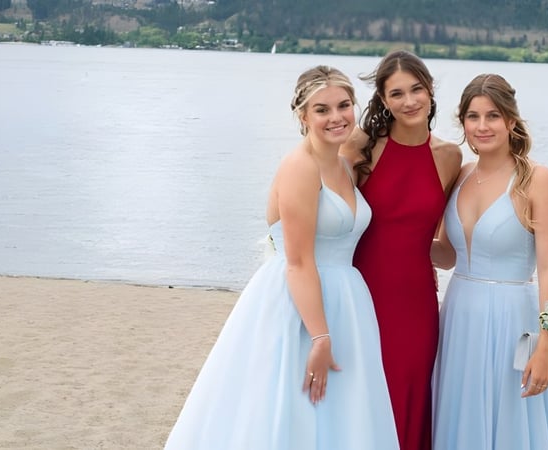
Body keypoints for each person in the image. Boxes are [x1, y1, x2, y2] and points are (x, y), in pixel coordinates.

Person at [164, 66, 399, 450]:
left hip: (348, 304)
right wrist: (321, 338)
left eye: (344, 105)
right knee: (291, 410)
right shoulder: (299, 167)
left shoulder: (343, 164)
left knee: (342, 414)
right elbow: (299, 261)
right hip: (300, 306)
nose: (336, 116)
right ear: (303, 116)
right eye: (322, 109)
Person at [431, 74, 548, 449]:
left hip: (511, 320)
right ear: (463, 123)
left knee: (506, 419)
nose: (482, 126)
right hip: (458, 315)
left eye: (493, 116)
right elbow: (447, 255)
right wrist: (397, 241)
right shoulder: (460, 176)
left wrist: (546, 345)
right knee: (458, 414)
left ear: (510, 120)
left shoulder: (537, 180)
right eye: (473, 117)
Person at [340, 50, 462, 450]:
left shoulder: (449, 157)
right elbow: (332, 216)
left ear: (430, 91)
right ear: (382, 99)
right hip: (362, 292)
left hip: (416, 302)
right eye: (397, 93)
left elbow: (441, 245)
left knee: (410, 393)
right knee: (362, 391)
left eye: (416, 89)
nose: (409, 101)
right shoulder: (360, 147)